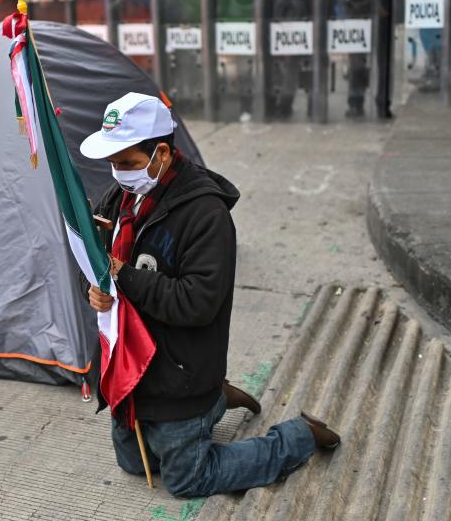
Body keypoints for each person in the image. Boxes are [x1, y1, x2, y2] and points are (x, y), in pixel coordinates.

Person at [80, 92, 340, 498]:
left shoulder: (206, 214)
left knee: (187, 480)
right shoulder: (120, 197)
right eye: (112, 163)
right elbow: (98, 267)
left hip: (178, 373)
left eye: (127, 163)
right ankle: (217, 395)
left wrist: (123, 275)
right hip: (132, 375)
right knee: (132, 464)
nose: (118, 173)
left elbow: (196, 302)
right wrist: (95, 287)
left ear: (161, 153)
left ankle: (297, 435)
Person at [267, 0, 338, 118]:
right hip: (297, 21)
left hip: (319, 20)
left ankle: (316, 106)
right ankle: (285, 105)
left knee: (318, 63)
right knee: (291, 64)